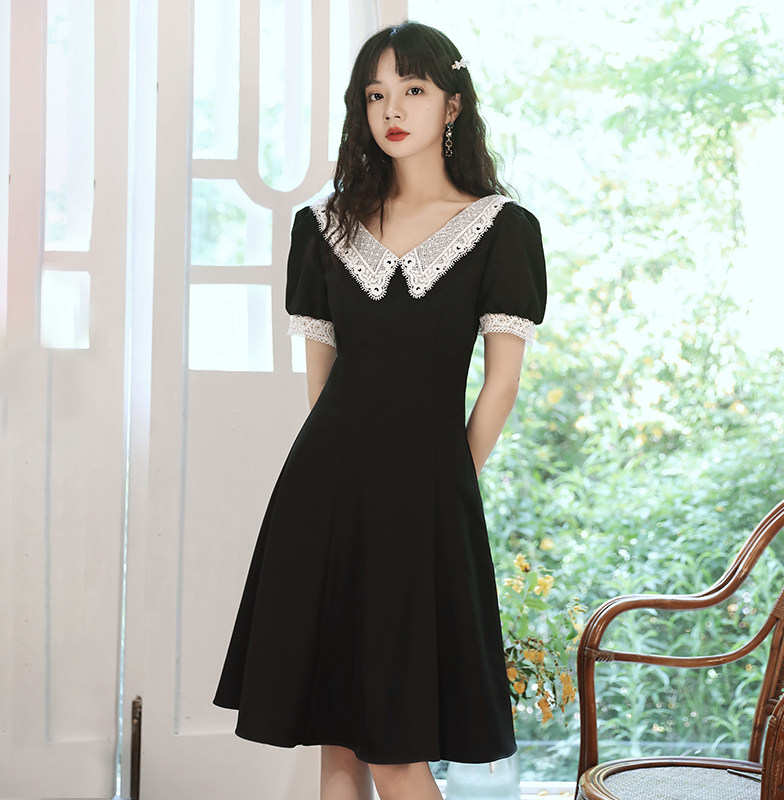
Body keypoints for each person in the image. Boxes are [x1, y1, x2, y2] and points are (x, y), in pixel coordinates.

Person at [213, 19, 546, 800]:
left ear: (452, 105)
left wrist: (446, 482)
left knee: (394, 747)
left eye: (413, 90)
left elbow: (500, 383)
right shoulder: (322, 227)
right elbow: (321, 387)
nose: (392, 109)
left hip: (425, 498)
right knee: (337, 740)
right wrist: (349, 481)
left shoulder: (503, 229)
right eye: (375, 94)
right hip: (322, 497)